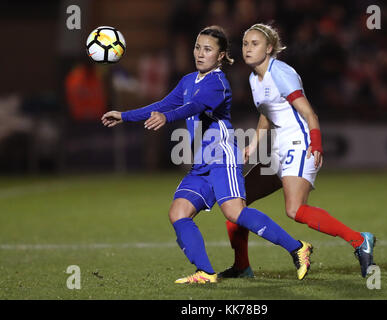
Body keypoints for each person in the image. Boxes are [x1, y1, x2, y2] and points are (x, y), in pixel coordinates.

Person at [102, 26, 313, 284]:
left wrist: (166, 117)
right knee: (178, 212)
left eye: (208, 49)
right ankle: (206, 272)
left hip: (222, 158)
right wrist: (124, 116)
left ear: (221, 55)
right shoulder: (188, 81)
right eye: (197, 47)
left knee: (235, 213)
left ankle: (297, 248)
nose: (200, 54)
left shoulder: (218, 83)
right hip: (201, 162)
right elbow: (163, 104)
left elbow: (193, 106)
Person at [219, 23, 376, 279]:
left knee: (295, 211)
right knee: (236, 204)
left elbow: (309, 112)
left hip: (298, 144)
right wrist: (254, 144)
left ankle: (360, 241)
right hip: (279, 147)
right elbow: (267, 115)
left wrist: (316, 143)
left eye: (254, 43)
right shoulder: (253, 78)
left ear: (269, 48)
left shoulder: (280, 73)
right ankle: (241, 267)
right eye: (245, 43)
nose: (248, 48)